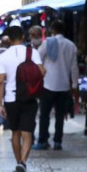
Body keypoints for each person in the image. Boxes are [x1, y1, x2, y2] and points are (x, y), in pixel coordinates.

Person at [0, 25, 45, 172]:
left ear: (9, 39)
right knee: (28, 133)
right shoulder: (32, 53)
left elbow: (0, 81)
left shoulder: (3, 56)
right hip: (29, 97)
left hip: (11, 98)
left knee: (15, 132)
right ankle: (23, 162)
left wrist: (0, 104)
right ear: (23, 37)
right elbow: (42, 71)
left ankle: (19, 162)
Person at [34, 20, 79, 151]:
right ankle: (58, 141)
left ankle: (43, 140)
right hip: (64, 86)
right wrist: (74, 85)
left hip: (47, 84)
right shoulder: (71, 45)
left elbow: (37, 58)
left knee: (44, 115)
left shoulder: (47, 42)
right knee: (60, 116)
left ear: (53, 30)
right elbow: (74, 67)